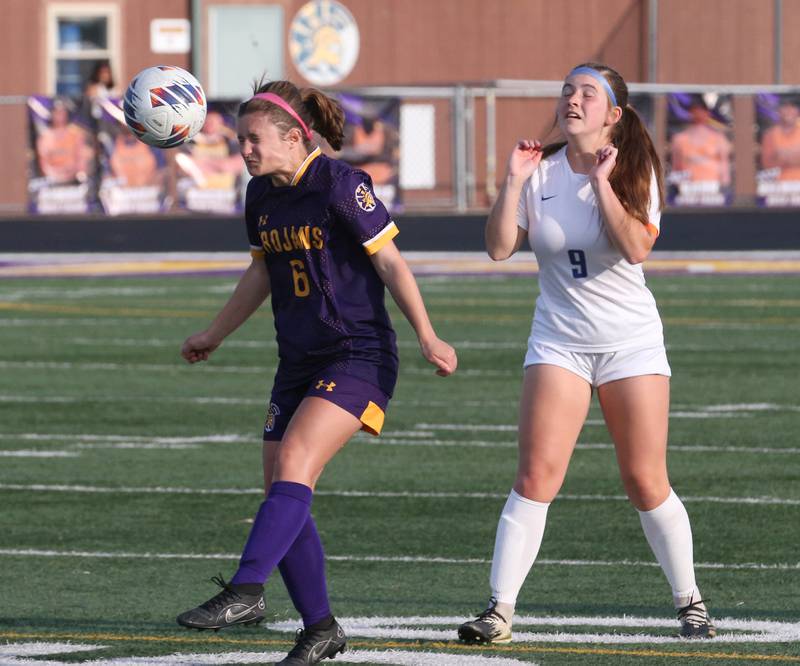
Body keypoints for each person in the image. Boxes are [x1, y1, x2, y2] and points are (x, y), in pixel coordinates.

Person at [175, 79, 457, 665]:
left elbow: (392, 265)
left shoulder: (340, 184)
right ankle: (321, 628)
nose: (244, 150)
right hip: (297, 358)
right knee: (283, 485)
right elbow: (261, 274)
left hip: (358, 353)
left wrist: (427, 334)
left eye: (253, 140)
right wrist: (214, 332)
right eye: (240, 140)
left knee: (297, 465)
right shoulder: (260, 195)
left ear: (294, 136)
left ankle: (246, 589)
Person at [456, 63, 716, 645]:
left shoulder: (635, 167)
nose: (572, 100)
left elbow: (637, 248)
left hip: (631, 343)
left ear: (613, 115)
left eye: (587, 93)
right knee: (534, 476)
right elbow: (500, 249)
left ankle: (689, 601)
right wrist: (513, 182)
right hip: (559, 342)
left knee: (645, 480)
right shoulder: (540, 169)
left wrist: (601, 183)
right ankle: (499, 611)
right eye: (568, 90)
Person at [669, 96, 732, 186]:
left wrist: (724, 189)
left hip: (713, 191)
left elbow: (724, 168)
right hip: (688, 192)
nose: (698, 114)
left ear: (708, 113)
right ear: (690, 113)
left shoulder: (719, 139)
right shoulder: (679, 139)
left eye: (701, 110)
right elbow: (676, 168)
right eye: (695, 110)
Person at [35, 99, 94, 184]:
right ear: (52, 114)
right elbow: (43, 161)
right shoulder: (45, 137)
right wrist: (54, 174)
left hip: (75, 180)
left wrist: (79, 172)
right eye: (57, 112)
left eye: (62, 112)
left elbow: (83, 156)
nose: (60, 116)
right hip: (53, 180)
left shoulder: (76, 134)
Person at [760, 97, 800, 181]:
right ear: (778, 111)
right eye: (785, 107)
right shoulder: (770, 135)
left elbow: (778, 157)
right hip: (778, 186)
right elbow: (767, 164)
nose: (789, 110)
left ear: (797, 111)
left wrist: (781, 155)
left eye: (793, 106)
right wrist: (794, 155)